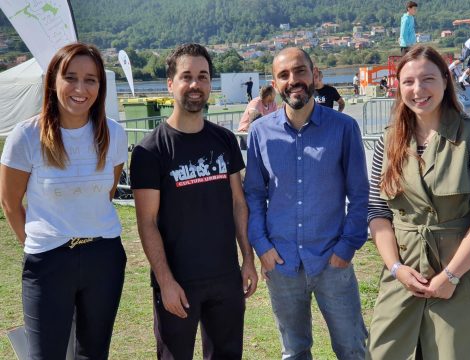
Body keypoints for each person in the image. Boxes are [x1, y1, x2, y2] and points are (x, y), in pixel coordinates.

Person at [365, 45, 470, 360]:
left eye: (428, 79)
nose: (418, 90)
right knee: (386, 351)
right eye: (408, 81)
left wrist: (451, 276)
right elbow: (378, 212)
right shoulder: (387, 141)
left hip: (463, 274)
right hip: (405, 274)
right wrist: (396, 268)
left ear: (446, 81)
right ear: (399, 86)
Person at [130, 43, 258, 360]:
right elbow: (146, 223)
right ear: (170, 83)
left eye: (203, 76)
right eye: (186, 76)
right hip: (178, 283)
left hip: (225, 277)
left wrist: (247, 259)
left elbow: (238, 202)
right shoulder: (150, 151)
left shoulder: (224, 139)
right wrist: (165, 281)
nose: (195, 84)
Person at [0, 43, 127, 359]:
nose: (81, 89)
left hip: (104, 257)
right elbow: (10, 203)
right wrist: (41, 245)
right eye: (71, 77)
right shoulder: (26, 135)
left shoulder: (114, 134)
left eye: (91, 80)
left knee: (93, 353)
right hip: (49, 261)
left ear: (101, 85)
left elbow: (106, 192)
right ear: (53, 81)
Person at [244, 47, 369, 360]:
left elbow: (360, 194)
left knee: (352, 348)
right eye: (284, 75)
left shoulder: (344, 128)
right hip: (282, 262)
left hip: (332, 260)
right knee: (294, 351)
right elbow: (255, 194)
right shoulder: (259, 133)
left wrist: (346, 248)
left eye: (300, 71)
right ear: (274, 83)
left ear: (314, 75)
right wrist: (262, 246)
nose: (293, 80)